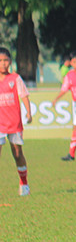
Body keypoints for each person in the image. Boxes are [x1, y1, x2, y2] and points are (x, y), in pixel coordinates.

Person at [0, 47, 32, 196]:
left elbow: (24, 95)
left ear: (10, 62)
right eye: (0, 61)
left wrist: (29, 113)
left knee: (17, 153)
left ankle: (24, 183)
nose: (3, 63)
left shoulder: (15, 78)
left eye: (5, 60)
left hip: (14, 123)